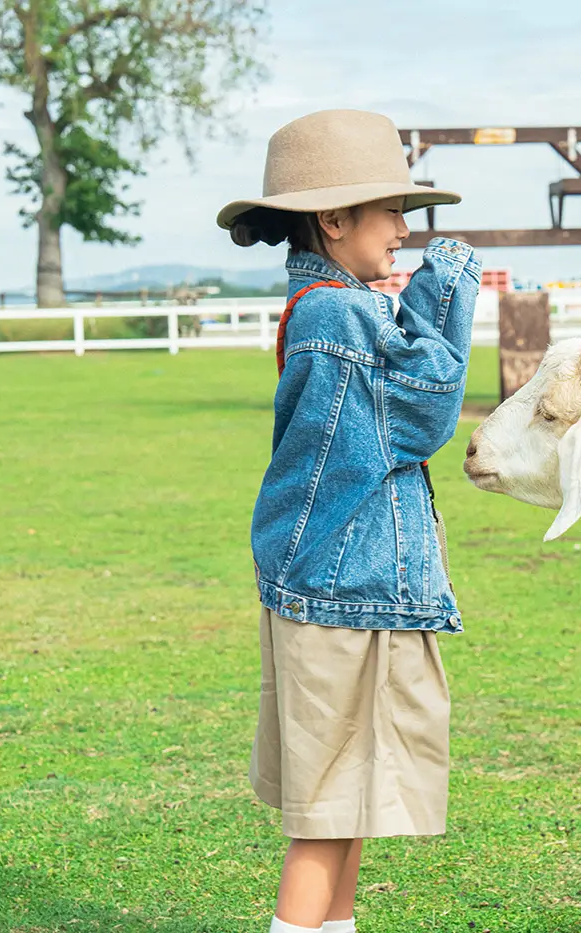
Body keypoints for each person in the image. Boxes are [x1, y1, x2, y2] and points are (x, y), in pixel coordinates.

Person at [215, 109, 481, 933]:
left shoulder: (343, 305)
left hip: (350, 584)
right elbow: (427, 405)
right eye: (391, 211)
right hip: (340, 590)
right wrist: (447, 281)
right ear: (334, 220)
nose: (405, 230)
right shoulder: (340, 314)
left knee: (353, 799)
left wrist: (406, 299)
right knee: (328, 811)